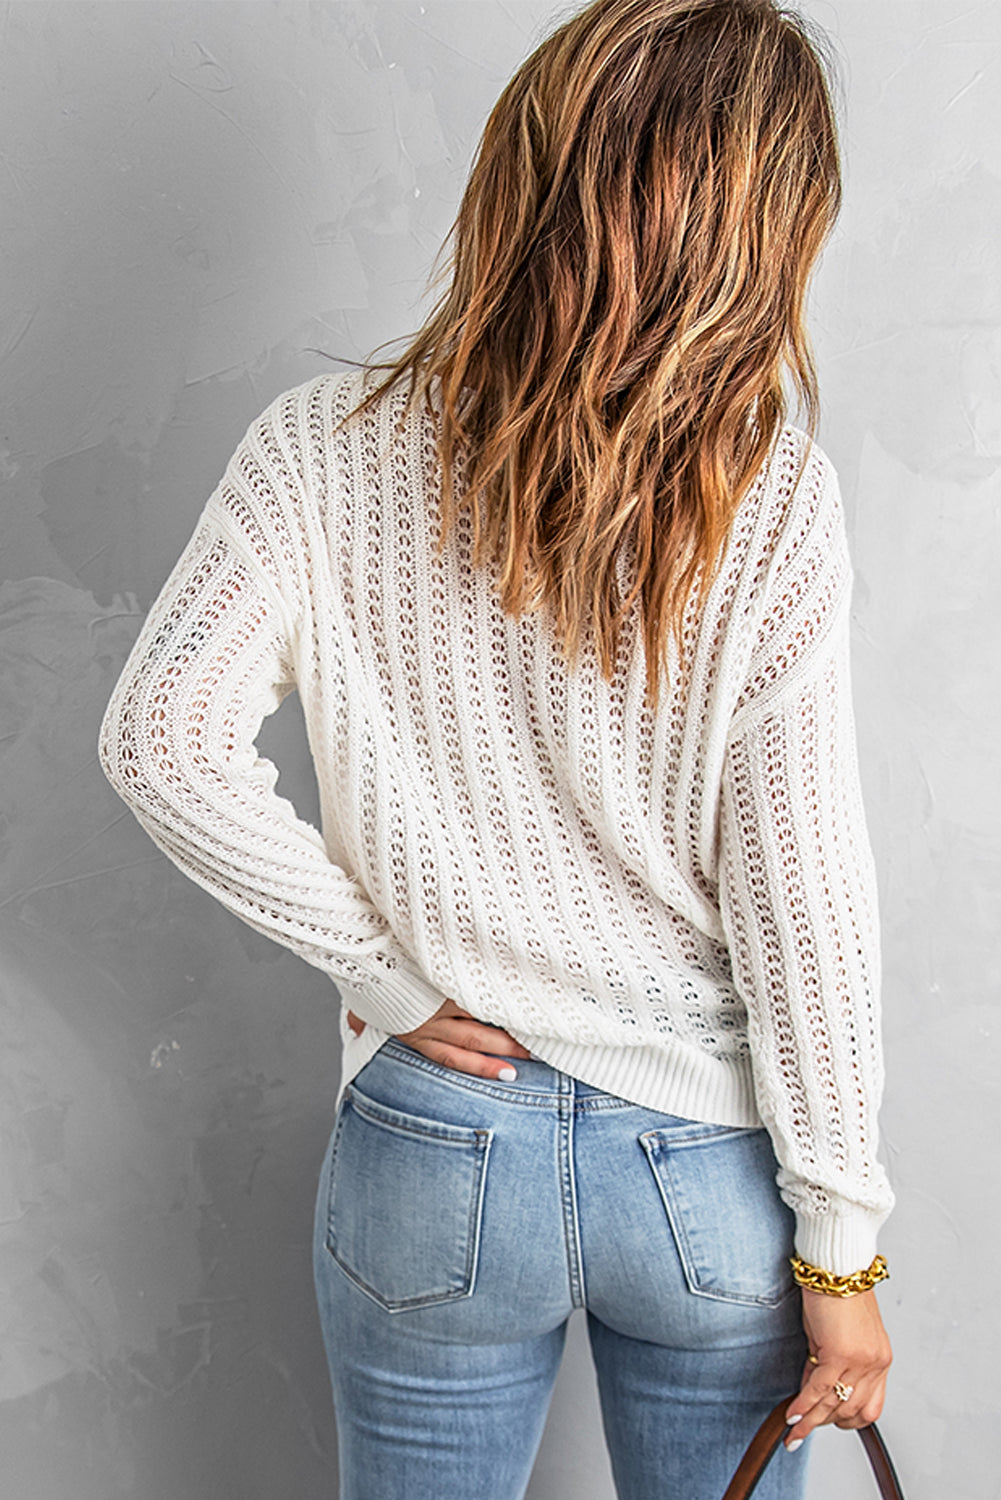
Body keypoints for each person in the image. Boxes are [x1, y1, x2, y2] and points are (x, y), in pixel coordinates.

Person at [99, 0, 895, 1495]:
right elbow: (805, 901)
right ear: (765, 230)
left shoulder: (319, 444)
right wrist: (842, 1253)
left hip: (437, 1138)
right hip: (700, 1164)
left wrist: (385, 975)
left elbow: (162, 737)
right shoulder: (771, 493)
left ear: (520, 172)